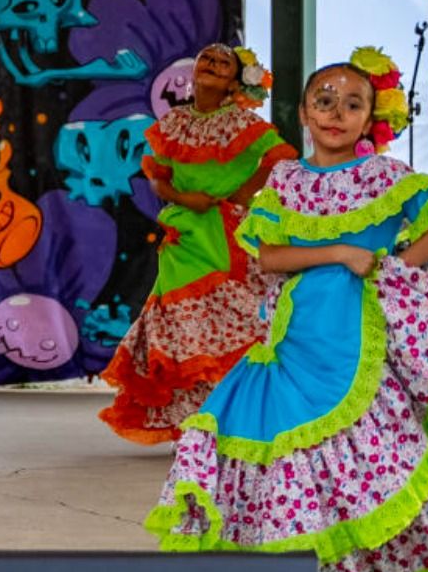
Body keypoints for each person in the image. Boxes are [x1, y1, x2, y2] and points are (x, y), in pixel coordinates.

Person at [144, 47, 428, 572]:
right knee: (278, 444)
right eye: (325, 100)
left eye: (353, 104)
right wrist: (344, 250)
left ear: (370, 117)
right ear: (302, 112)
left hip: (357, 335)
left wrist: (399, 266)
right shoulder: (286, 180)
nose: (336, 113)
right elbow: (268, 257)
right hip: (296, 336)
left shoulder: (384, 177)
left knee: (366, 456)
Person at [100, 45, 295, 443]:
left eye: (223, 63)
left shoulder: (241, 123)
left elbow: (280, 158)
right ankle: (197, 422)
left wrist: (243, 192)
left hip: (226, 233)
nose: (212, 65)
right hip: (184, 233)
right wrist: (183, 197)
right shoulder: (174, 123)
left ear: (233, 81)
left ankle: (233, 417)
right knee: (182, 324)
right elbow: (157, 177)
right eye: (207, 59)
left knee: (230, 322)